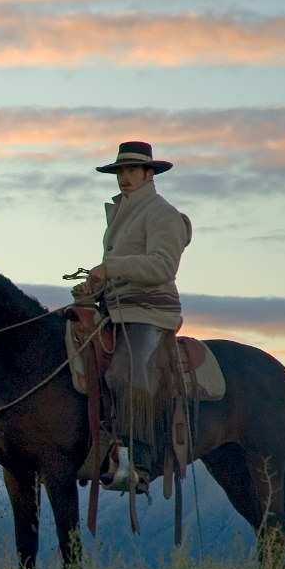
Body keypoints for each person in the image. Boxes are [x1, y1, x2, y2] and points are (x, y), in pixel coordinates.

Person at [72, 141, 192, 491]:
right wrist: (91, 290)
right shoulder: (122, 213)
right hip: (118, 309)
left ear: (148, 173)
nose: (124, 177)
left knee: (128, 370)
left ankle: (139, 461)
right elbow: (119, 273)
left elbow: (162, 266)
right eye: (120, 171)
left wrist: (110, 269)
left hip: (151, 310)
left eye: (132, 170)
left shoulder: (162, 213)